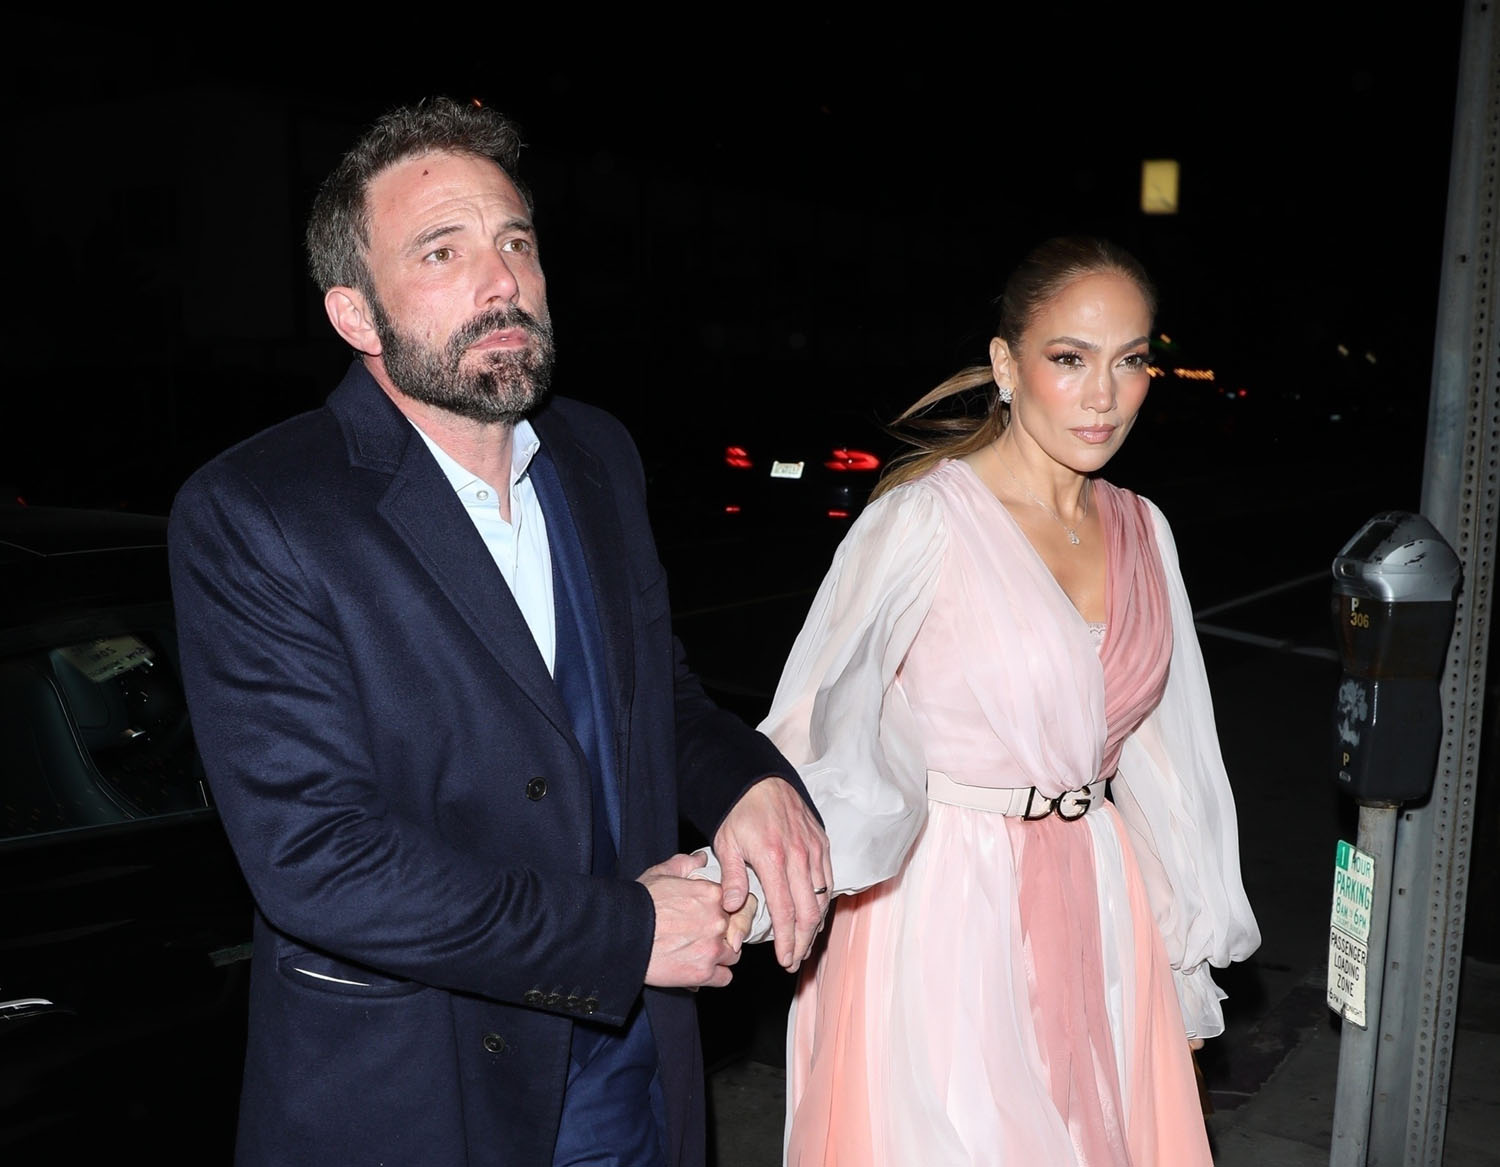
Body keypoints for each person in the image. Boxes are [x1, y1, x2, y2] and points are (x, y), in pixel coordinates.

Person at [167, 97, 831, 1167]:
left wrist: (748, 781)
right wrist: (626, 933)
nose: (502, 280)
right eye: (444, 251)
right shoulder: (259, 511)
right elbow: (318, 859)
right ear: (355, 315)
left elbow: (657, 705)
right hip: (421, 1094)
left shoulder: (598, 457)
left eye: (516, 241)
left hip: (634, 1075)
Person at [759, 237, 1261, 1164]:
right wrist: (746, 885)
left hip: (1103, 899)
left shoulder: (1144, 529)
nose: (1104, 396)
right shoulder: (922, 519)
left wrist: (1182, 958)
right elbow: (817, 727)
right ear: (1005, 363)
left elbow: (1168, 763)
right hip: (946, 905)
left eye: (1130, 361)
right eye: (1070, 358)